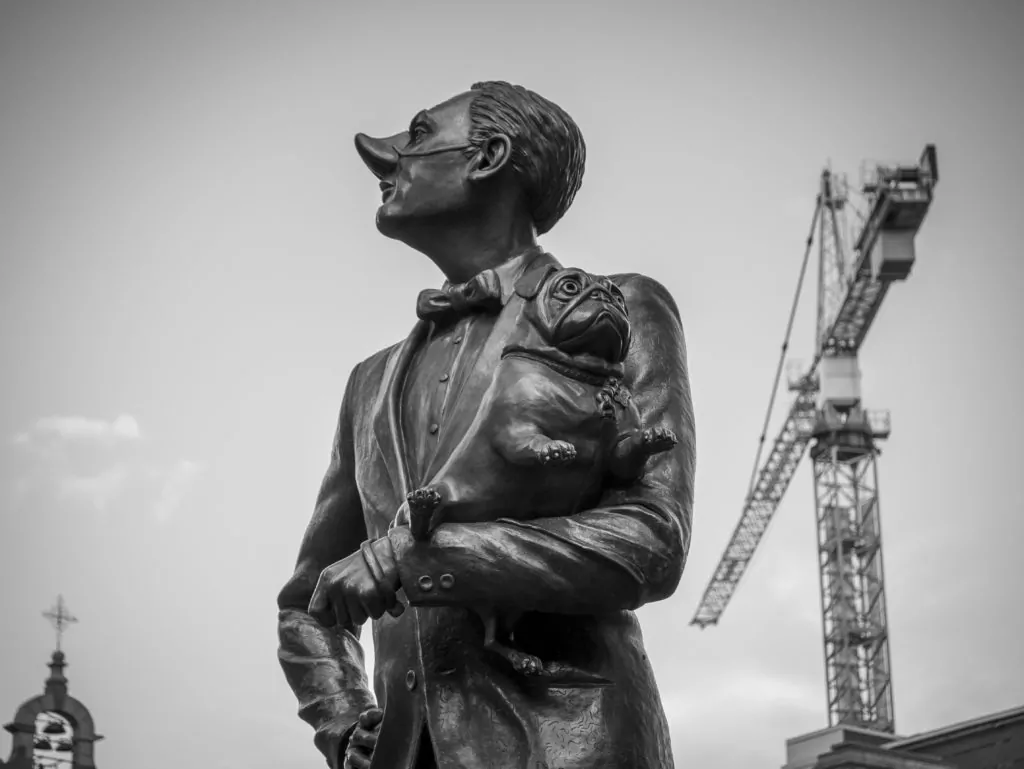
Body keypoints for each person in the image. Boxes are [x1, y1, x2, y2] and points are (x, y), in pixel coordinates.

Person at [276, 80, 696, 769]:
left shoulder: (617, 309)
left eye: (417, 136)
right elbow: (307, 602)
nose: (384, 157)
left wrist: (419, 559)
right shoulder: (368, 383)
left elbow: (650, 539)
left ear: (489, 157)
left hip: (572, 748)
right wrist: (343, 719)